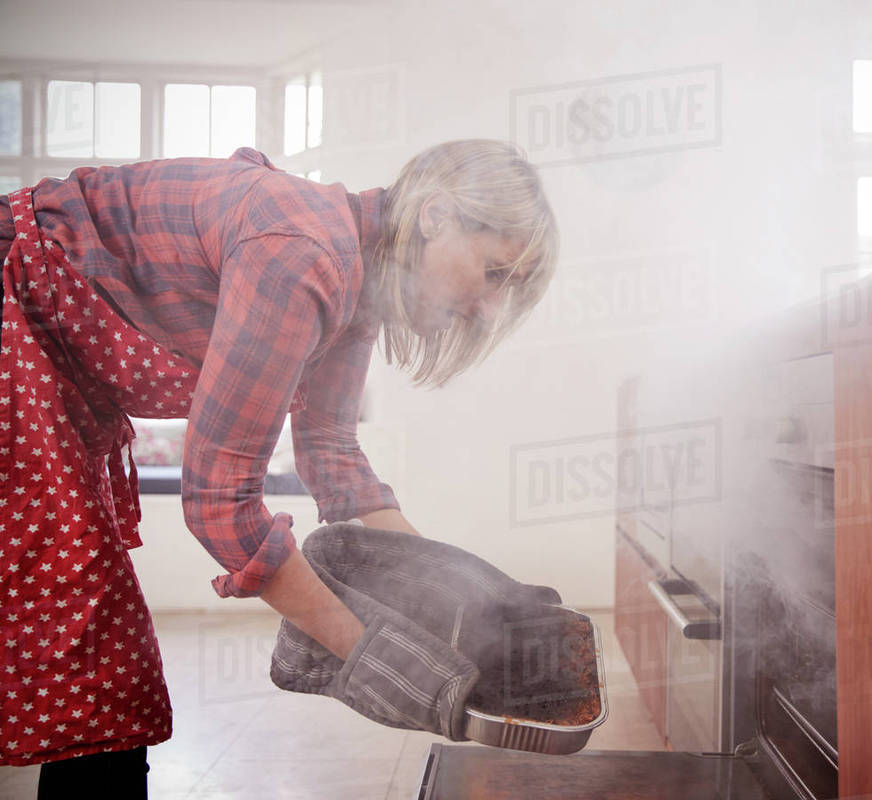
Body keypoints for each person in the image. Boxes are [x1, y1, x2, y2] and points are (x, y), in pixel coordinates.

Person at [0, 141, 559, 796]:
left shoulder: (359, 277)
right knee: (90, 669)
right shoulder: (302, 253)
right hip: (15, 330)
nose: (492, 308)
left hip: (48, 371)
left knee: (95, 675)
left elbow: (330, 449)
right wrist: (373, 655)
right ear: (435, 215)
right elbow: (219, 502)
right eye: (495, 272)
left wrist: (460, 592)